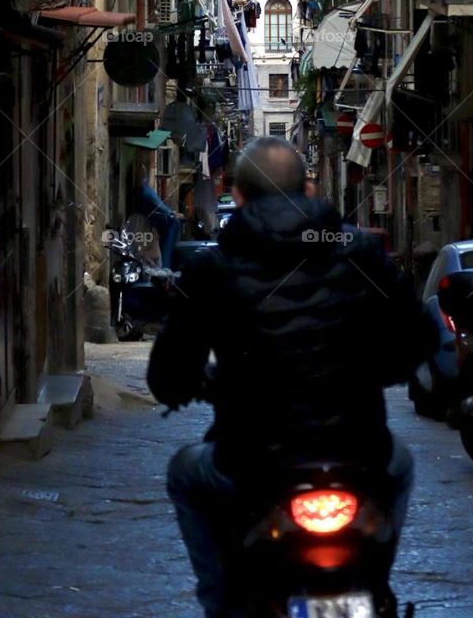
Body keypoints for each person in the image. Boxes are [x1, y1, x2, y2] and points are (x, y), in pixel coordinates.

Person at [147, 136, 439, 618]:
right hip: (358, 456)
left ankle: (221, 603)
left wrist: (193, 385)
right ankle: (375, 583)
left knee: (185, 472)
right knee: (401, 463)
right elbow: (420, 338)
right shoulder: (361, 254)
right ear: (307, 188)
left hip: (253, 464)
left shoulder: (212, 269)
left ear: (236, 196)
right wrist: (373, 371)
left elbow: (168, 373)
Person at [135, 163, 181, 270]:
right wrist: (171, 213)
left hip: (151, 224)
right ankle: (164, 267)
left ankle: (164, 268)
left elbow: (159, 205)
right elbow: (159, 205)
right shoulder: (145, 190)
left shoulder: (144, 190)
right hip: (148, 225)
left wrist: (170, 213)